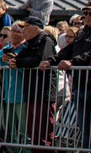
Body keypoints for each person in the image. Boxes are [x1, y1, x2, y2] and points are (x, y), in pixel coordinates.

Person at [41, 0, 91, 148]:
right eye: (86, 14)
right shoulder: (83, 32)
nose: (88, 16)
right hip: (80, 83)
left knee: (90, 123)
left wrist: (73, 62)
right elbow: (68, 50)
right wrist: (51, 61)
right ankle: (86, 149)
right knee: (84, 123)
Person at [12, 16, 57, 148]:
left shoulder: (46, 40)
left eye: (26, 27)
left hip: (44, 92)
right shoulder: (29, 43)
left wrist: (18, 62)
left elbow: (40, 60)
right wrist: (12, 60)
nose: (23, 31)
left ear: (36, 28)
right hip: (31, 91)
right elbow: (19, 58)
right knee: (33, 131)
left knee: (43, 131)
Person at [0, 22, 26, 147]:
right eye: (13, 31)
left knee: (24, 130)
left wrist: (17, 62)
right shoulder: (7, 48)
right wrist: (1, 59)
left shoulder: (26, 48)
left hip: (23, 97)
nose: (15, 34)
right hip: (8, 96)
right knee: (9, 130)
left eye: (19, 32)